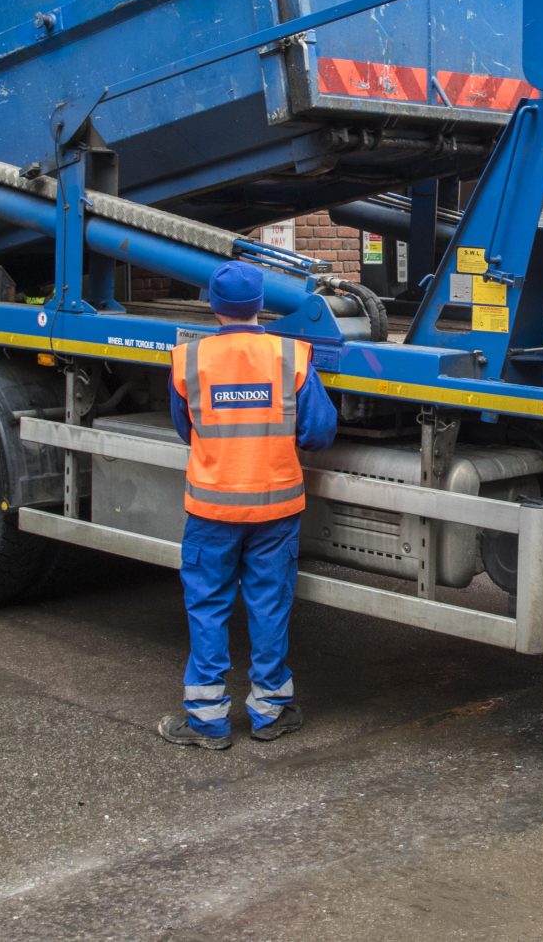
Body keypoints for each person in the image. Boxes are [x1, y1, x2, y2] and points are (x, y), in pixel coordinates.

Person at [158, 260, 336, 750]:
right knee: (269, 605)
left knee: (208, 607)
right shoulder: (291, 356)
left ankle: (207, 721)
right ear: (260, 305)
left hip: (211, 510)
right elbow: (319, 432)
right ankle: (271, 712)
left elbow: (184, 427)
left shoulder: (189, 360)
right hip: (275, 510)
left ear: (214, 308)